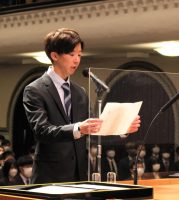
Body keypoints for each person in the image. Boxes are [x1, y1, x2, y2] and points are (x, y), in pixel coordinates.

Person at [23, 28, 141, 184]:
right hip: (50, 175)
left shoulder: (79, 92)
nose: (77, 60)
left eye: (79, 55)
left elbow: (93, 126)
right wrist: (78, 129)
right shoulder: (35, 89)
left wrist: (122, 128)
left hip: (79, 173)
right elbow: (41, 131)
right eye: (71, 54)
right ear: (54, 55)